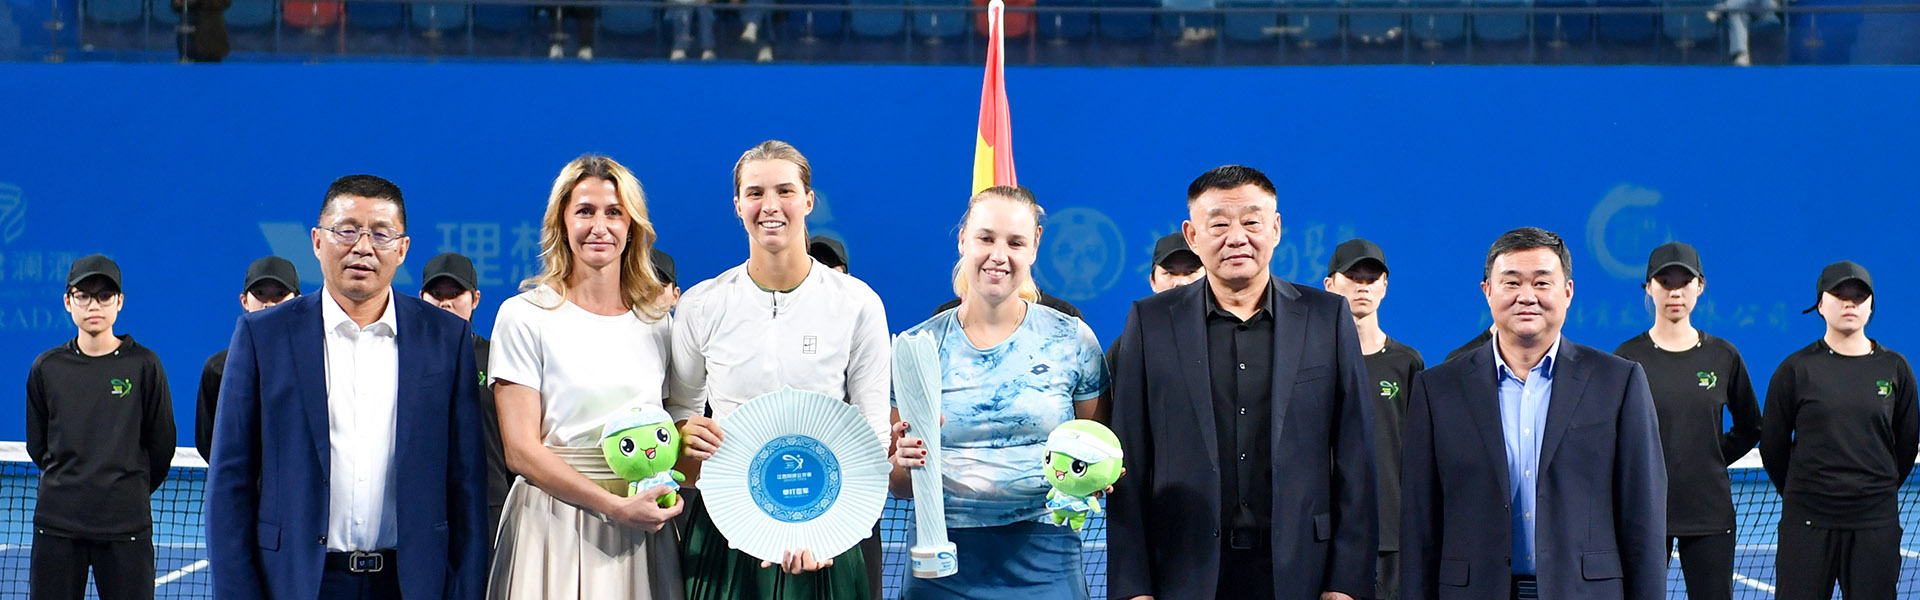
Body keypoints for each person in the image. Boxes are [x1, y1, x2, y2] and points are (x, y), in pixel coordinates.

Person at [206, 175, 488, 600]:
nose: (363, 247)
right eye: (347, 230)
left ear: (402, 249)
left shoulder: (447, 339)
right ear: (318, 241)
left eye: (381, 233)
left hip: (410, 583)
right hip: (299, 583)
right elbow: (230, 481)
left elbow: (468, 483)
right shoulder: (262, 337)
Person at [1107, 165, 1376, 600]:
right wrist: (1133, 588)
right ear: (1192, 235)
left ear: (1276, 228)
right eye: (1218, 224)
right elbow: (1130, 462)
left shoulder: (1326, 317)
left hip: (1302, 570)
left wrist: (1345, 584)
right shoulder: (1150, 322)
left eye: (1251, 222)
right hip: (1182, 571)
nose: (1237, 237)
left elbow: (1355, 458)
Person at [671, 140, 889, 599]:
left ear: (808, 201)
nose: (770, 206)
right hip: (726, 525)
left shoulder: (858, 303)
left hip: (830, 533)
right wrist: (685, 435)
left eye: (784, 191)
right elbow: (679, 415)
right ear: (738, 205)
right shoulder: (701, 304)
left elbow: (872, 433)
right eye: (755, 193)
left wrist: (833, 528)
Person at [1401, 226, 1666, 600]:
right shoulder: (1437, 389)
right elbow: (1419, 524)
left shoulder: (1619, 382)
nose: (1527, 296)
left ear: (1568, 292)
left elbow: (1644, 517)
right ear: (1487, 291)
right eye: (1511, 283)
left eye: (1542, 283)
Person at [889, 185, 1111, 600]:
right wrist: (905, 463)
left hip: (1048, 555)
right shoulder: (917, 349)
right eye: (986, 238)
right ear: (963, 240)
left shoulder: (1072, 339)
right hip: (940, 559)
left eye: (1015, 242)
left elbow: (1098, 447)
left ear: (1035, 245)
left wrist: (1097, 474)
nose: (999, 255)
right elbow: (900, 484)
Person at [485, 156, 690, 598]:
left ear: (632, 226)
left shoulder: (658, 322)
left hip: (642, 522)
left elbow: (675, 426)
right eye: (585, 211)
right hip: (552, 525)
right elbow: (520, 451)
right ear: (562, 222)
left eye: (614, 212)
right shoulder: (524, 316)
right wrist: (613, 507)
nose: (600, 226)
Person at [1610, 242, 1760, 600]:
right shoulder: (1627, 358)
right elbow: (1610, 435)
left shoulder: (1724, 356)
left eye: (1684, 282)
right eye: (1665, 282)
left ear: (1700, 286)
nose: (1675, 292)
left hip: (1709, 513)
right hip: (1644, 514)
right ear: (1649, 288)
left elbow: (1751, 426)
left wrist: (1709, 456)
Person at [1760, 260, 1917, 600]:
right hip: (1806, 524)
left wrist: (1874, 490)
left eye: (1859, 296)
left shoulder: (1896, 369)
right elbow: (1772, 447)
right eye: (1839, 295)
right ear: (1820, 304)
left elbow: (1906, 446)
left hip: (1875, 523)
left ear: (1870, 306)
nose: (1850, 303)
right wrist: (1806, 493)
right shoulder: (1794, 370)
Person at [26, 254, 176, 600]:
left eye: (105, 296)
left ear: (119, 302)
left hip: (126, 527)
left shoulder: (145, 365)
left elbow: (161, 444)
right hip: (57, 526)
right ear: (68, 302)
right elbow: (38, 444)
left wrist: (125, 490)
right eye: (83, 296)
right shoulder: (46, 367)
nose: (94, 305)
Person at [1321, 237, 1423, 600]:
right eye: (1353, 277)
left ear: (1384, 286)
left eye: (1371, 278)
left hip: (1392, 532)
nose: (1362, 286)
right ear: (1330, 285)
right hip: (1327, 532)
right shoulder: (1311, 363)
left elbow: (1419, 452)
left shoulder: (1407, 363)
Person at [419, 252, 514, 555]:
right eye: (436, 294)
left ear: (475, 299)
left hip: (489, 503)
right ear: (421, 298)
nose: (445, 303)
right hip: (423, 504)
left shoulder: (499, 358)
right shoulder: (404, 360)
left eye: (455, 294)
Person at [196, 255, 299, 462]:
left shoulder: (315, 364)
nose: (269, 304)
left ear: (297, 301)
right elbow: (208, 441)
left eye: (280, 294)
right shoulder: (218, 368)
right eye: (260, 294)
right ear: (244, 301)